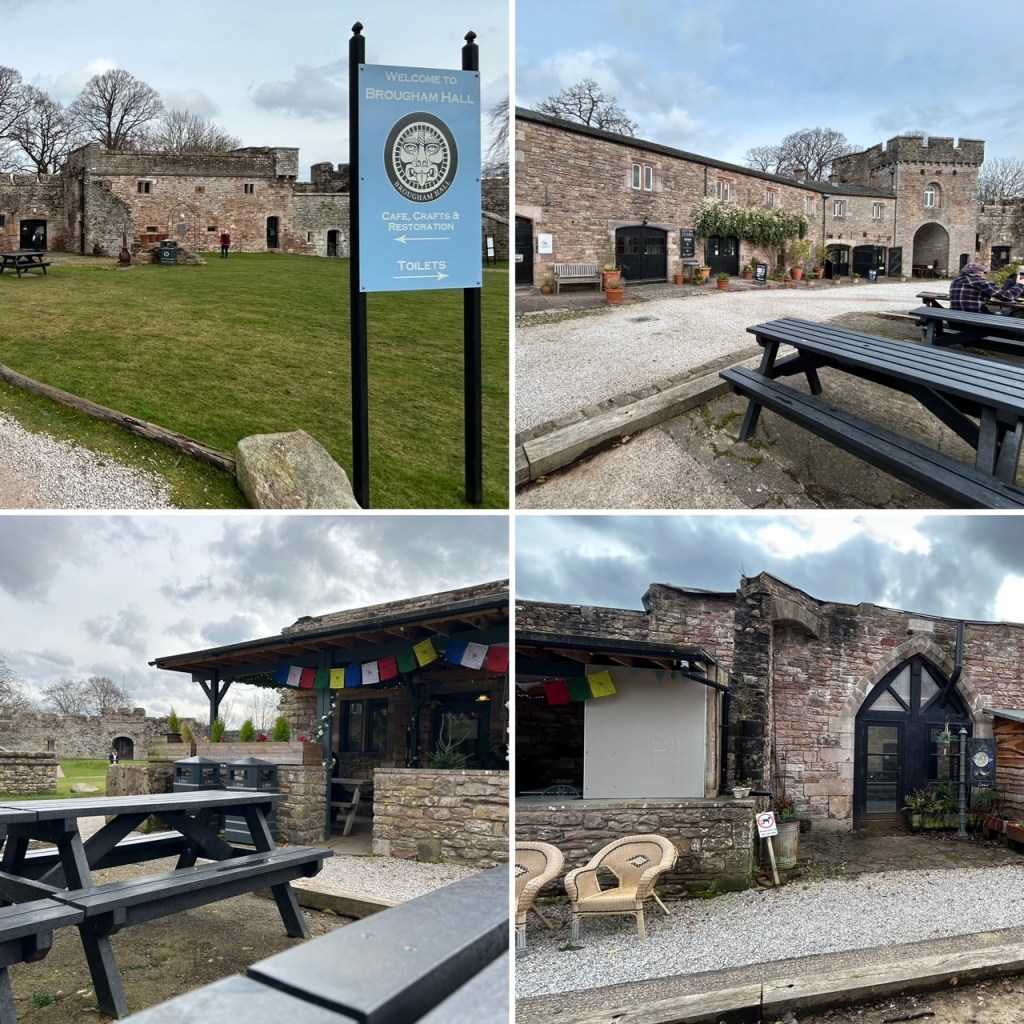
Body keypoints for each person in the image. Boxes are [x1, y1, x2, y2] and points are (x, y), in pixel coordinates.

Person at [949, 261, 1024, 314]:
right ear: (978, 272)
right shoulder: (981, 282)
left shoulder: (956, 281)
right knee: (1006, 321)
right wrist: (1020, 284)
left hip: (954, 320)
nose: (985, 275)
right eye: (985, 272)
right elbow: (1008, 297)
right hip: (975, 322)